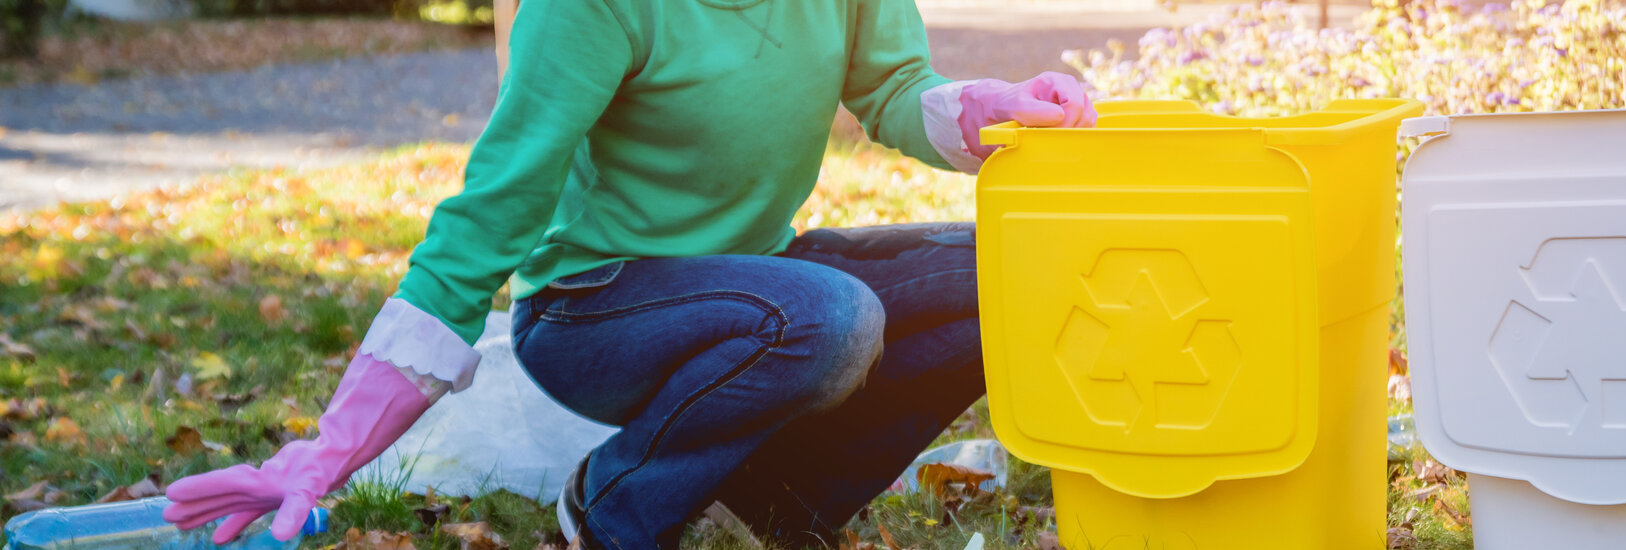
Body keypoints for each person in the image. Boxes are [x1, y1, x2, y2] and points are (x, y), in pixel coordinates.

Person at [158, 0, 1098, 548]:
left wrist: (989, 109)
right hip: (593, 309)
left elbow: (889, 86)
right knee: (833, 317)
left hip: (758, 274)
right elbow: (497, 206)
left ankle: (784, 504)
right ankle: (613, 510)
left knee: (1008, 273)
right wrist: (329, 452)